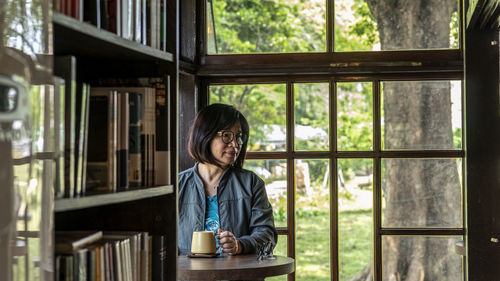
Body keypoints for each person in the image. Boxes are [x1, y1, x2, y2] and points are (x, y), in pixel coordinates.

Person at [178, 103, 277, 256]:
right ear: (205, 135)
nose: (235, 144)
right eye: (226, 135)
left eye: (238, 137)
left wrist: (240, 245)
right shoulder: (176, 186)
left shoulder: (251, 184)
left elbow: (267, 236)